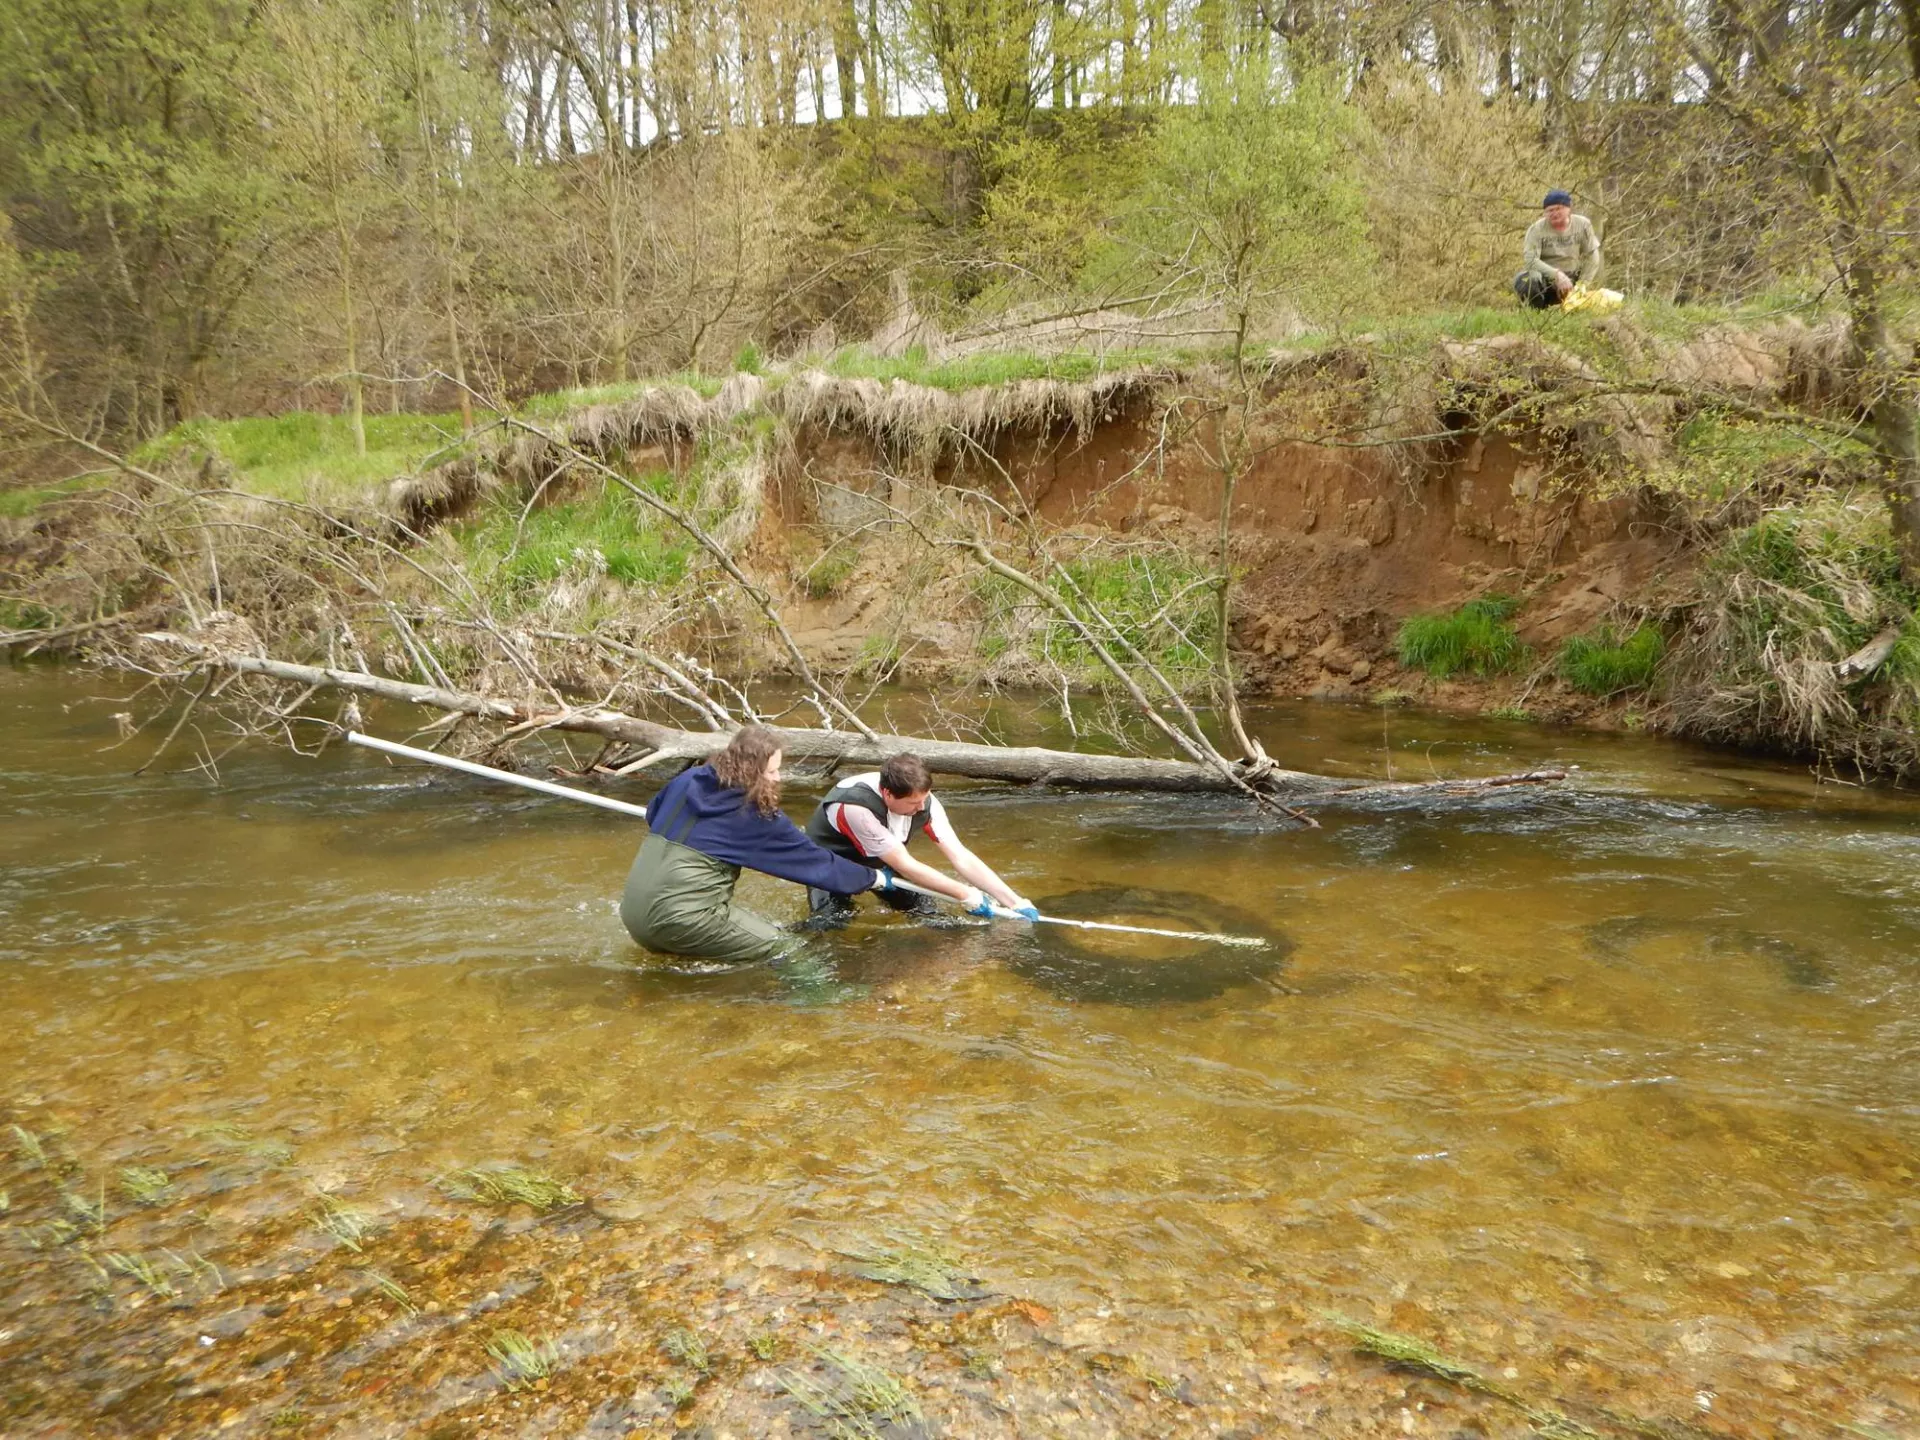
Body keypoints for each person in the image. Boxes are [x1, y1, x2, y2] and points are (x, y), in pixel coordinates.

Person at [621, 726, 897, 962]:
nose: (778, 778)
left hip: (633, 915)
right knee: (788, 949)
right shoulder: (753, 814)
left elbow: (653, 815)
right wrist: (873, 878)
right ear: (752, 772)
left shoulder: (686, 780)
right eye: (772, 771)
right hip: (681, 920)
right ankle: (823, 1008)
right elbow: (815, 863)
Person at [802, 753, 1040, 929]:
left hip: (880, 861)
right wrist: (965, 893)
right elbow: (905, 865)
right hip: (831, 862)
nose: (920, 809)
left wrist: (1013, 901)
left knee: (928, 913)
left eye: (923, 800)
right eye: (912, 804)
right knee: (831, 923)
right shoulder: (855, 807)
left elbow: (960, 855)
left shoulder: (924, 801)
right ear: (887, 794)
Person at [1514, 189, 1602, 309]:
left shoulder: (1583, 225)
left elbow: (1592, 255)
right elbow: (1530, 260)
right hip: (1545, 278)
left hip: (1573, 277)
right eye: (1550, 210)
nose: (1554, 213)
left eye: (1558, 208)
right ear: (1545, 213)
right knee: (1526, 280)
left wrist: (1583, 284)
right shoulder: (1536, 230)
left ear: (1569, 208)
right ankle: (1535, 313)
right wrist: (1556, 275)